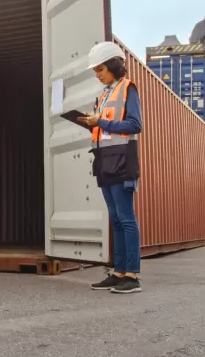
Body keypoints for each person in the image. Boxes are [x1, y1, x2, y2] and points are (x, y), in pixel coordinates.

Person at [78, 41, 143, 294]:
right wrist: (90, 122)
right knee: (115, 219)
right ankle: (118, 272)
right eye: (95, 70)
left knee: (126, 219)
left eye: (100, 69)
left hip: (122, 159)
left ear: (114, 65)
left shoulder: (128, 88)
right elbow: (105, 127)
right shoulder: (104, 94)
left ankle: (132, 275)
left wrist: (101, 121)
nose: (97, 75)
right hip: (104, 159)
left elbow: (135, 125)